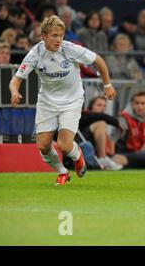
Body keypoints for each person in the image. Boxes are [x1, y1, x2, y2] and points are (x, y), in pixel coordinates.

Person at [9, 15, 116, 185]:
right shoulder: (35, 53)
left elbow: (98, 60)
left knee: (64, 145)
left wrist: (107, 85)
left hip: (72, 101)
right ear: (44, 36)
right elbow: (16, 80)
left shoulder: (70, 49)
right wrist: (14, 92)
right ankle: (62, 171)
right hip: (47, 102)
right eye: (54, 35)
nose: (58, 39)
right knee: (43, 146)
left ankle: (77, 155)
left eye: (60, 35)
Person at [79, 96, 125, 171]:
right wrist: (116, 123)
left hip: (96, 152)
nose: (102, 108)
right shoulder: (84, 115)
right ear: (91, 106)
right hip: (80, 145)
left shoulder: (101, 123)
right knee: (101, 123)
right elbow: (100, 116)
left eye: (104, 106)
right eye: (99, 105)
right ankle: (102, 158)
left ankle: (105, 160)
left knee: (123, 159)